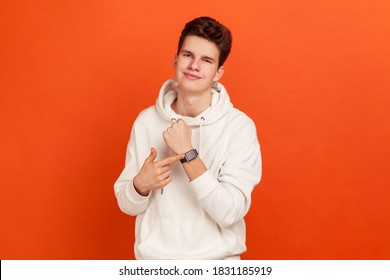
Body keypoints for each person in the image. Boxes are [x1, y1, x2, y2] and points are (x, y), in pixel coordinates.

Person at [114, 16, 262, 260]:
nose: (194, 65)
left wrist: (187, 153)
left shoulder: (239, 127)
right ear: (175, 59)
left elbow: (230, 212)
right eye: (188, 55)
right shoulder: (146, 121)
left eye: (206, 60)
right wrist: (140, 185)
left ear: (218, 72)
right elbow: (127, 205)